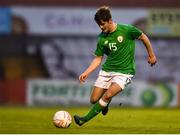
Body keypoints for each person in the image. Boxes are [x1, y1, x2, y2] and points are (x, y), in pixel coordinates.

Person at [74, 6, 157, 126]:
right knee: (93, 100)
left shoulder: (127, 30)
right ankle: (105, 104)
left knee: (107, 95)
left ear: (110, 20)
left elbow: (143, 37)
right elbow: (98, 59)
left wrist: (151, 55)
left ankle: (84, 119)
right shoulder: (101, 38)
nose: (101, 27)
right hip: (107, 70)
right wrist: (86, 72)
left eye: (102, 24)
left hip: (124, 72)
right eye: (99, 25)